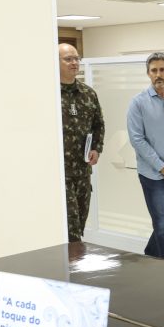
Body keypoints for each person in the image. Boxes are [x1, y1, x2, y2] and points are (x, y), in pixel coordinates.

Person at [127, 53, 164, 262]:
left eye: (162, 70)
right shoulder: (138, 103)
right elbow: (137, 139)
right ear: (148, 73)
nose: (158, 74)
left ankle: (149, 255)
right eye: (154, 70)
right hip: (152, 174)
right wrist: (162, 167)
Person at [59, 43, 105, 242]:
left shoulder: (88, 93)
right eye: (68, 59)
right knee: (71, 230)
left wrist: (96, 148)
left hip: (83, 173)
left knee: (79, 225)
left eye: (76, 58)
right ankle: (72, 260)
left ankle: (73, 258)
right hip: (60, 175)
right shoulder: (49, 94)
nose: (74, 63)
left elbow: (98, 124)